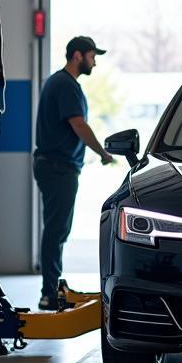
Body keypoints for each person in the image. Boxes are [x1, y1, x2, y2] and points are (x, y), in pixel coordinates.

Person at [33, 36, 115, 311]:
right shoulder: (66, 85)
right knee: (56, 230)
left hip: (54, 165)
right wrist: (103, 153)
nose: (95, 62)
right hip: (58, 167)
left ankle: (51, 287)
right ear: (78, 55)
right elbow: (78, 125)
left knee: (57, 229)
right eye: (93, 56)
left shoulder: (59, 83)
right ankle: (48, 292)